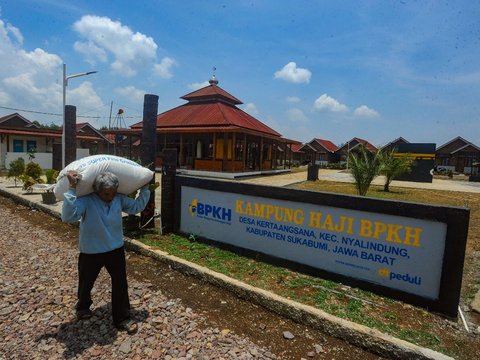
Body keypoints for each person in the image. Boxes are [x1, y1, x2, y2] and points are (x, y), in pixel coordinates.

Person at [61, 171, 151, 334]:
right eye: (106, 193)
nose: (110, 196)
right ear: (96, 190)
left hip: (115, 249)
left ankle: (122, 318)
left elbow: (136, 207)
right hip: (91, 250)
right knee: (86, 282)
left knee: (120, 283)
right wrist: (72, 188)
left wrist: (145, 189)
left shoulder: (118, 199)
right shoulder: (86, 201)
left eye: (113, 192)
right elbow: (68, 217)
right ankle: (82, 307)